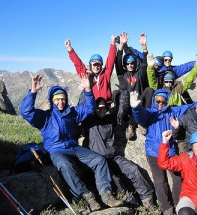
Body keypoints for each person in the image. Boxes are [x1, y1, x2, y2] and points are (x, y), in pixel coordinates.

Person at [20, 73, 122, 212]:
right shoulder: (45, 117)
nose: (60, 102)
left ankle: (106, 194)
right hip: (55, 150)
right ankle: (87, 196)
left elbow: (89, 107)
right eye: (57, 99)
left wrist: (87, 90)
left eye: (63, 99)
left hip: (73, 147)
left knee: (99, 160)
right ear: (52, 100)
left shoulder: (72, 113)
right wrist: (33, 92)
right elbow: (26, 112)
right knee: (65, 164)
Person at [82, 97, 157, 212]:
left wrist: (127, 89)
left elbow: (122, 108)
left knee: (134, 170)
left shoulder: (110, 119)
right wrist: (87, 89)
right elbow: (85, 105)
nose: (102, 110)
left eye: (104, 108)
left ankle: (148, 200)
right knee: (115, 180)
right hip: (99, 161)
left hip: (114, 157)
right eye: (99, 108)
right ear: (94, 109)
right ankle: (133, 205)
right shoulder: (90, 121)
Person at [130, 89, 194, 215]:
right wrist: (136, 107)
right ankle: (167, 208)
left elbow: (187, 107)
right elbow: (140, 116)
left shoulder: (173, 111)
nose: (160, 103)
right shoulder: (149, 113)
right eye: (157, 100)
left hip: (170, 151)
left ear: (166, 101)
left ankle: (178, 204)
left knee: (178, 178)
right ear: (154, 100)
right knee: (160, 180)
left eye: (163, 101)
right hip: (154, 152)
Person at [114, 32, 151, 139]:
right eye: (128, 64)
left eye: (132, 63)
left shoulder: (139, 73)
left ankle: (142, 120)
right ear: (125, 65)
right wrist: (121, 46)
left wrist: (144, 47)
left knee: (149, 90)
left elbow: (144, 64)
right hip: (127, 106)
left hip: (139, 103)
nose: (130, 65)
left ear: (135, 64)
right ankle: (130, 123)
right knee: (116, 93)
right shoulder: (122, 75)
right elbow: (117, 61)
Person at [64, 36, 117, 104]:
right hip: (92, 106)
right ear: (91, 65)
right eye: (94, 64)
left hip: (105, 106)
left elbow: (111, 60)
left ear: (101, 66)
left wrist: (113, 43)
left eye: (98, 64)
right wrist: (69, 48)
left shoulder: (106, 74)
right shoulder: (86, 76)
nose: (96, 67)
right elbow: (78, 64)